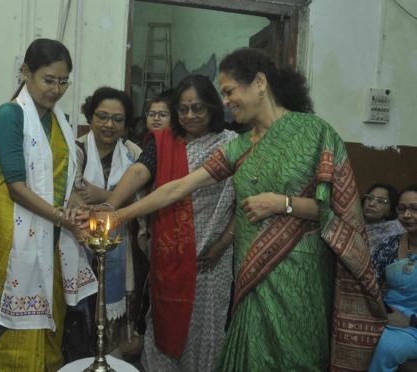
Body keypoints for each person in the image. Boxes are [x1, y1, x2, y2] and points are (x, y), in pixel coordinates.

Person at [97, 48, 387, 371]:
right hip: (251, 273)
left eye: (229, 91)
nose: (225, 101)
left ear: (259, 83)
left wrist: (282, 203)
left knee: (296, 355)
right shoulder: (240, 144)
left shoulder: (315, 133)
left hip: (299, 274)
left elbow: (336, 209)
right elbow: (180, 186)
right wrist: (119, 214)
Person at [95, 74, 237, 371]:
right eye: (182, 109)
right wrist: (110, 205)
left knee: (204, 333)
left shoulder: (232, 145)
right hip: (169, 257)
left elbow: (244, 202)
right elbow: (138, 172)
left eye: (197, 108)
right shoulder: (164, 141)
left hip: (212, 259)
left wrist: (223, 243)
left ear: (212, 107)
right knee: (163, 325)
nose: (189, 116)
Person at [0, 38, 97, 372]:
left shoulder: (60, 121)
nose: (57, 89)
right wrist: (64, 219)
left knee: (49, 317)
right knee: (10, 322)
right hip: (13, 238)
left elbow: (66, 179)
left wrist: (73, 207)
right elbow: (16, 188)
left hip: (54, 237)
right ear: (26, 72)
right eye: (49, 79)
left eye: (63, 81)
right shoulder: (10, 116)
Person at [68, 86, 144, 356]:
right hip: (79, 245)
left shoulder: (134, 153)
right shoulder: (75, 150)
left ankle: (110, 356)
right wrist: (119, 198)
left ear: (126, 124)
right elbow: (73, 198)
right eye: (102, 116)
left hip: (122, 247)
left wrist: (102, 196)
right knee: (81, 312)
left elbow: (143, 201)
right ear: (90, 117)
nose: (109, 124)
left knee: (116, 309)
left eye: (117, 119)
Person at [369, 184, 417, 371]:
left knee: (386, 348)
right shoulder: (390, 245)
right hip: (388, 315)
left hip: (412, 326)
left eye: (414, 209)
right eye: (402, 209)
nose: (407, 215)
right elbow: (370, 281)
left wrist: (409, 322)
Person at [363, 182, 405, 253]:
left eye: (381, 201)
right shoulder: (351, 221)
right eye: (369, 198)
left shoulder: (395, 232)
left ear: (391, 209)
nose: (371, 204)